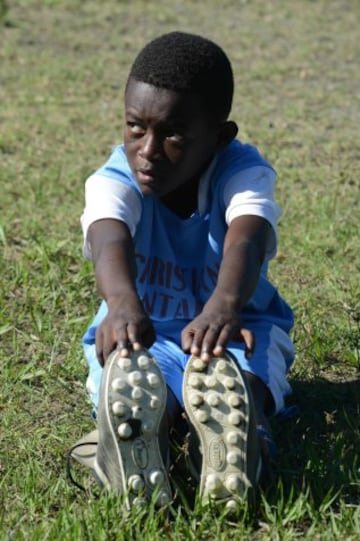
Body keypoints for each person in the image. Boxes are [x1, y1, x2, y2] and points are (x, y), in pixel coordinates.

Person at [70, 31, 295, 512]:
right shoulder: (117, 175)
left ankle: (243, 440)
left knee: (243, 385)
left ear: (219, 136)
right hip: (140, 333)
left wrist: (226, 305)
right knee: (136, 387)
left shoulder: (242, 170)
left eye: (173, 133)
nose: (148, 149)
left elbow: (247, 236)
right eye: (135, 128)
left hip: (237, 332)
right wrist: (122, 304)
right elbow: (108, 233)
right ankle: (134, 437)